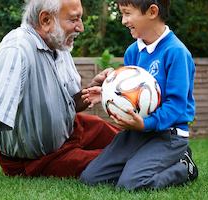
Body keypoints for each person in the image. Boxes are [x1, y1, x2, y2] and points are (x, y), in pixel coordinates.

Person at [0, 0, 120, 199]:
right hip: (42, 158)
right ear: (46, 19)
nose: (81, 27)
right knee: (118, 160)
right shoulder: (17, 49)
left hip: (73, 130)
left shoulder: (58, 43)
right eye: (74, 19)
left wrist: (91, 90)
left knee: (127, 139)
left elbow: (69, 105)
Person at [79, 0, 198, 190]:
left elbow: (176, 106)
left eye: (127, 13)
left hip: (168, 135)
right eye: (121, 14)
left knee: (131, 184)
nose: (123, 21)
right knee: (90, 178)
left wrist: (145, 124)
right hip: (136, 133)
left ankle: (183, 167)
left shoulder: (176, 52)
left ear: (152, 12)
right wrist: (105, 94)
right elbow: (132, 96)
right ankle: (139, 162)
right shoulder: (133, 52)